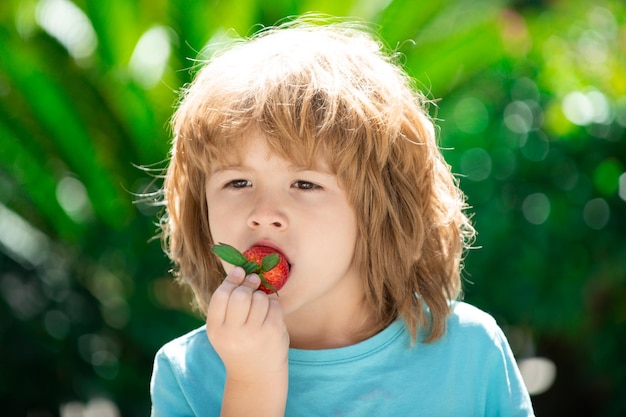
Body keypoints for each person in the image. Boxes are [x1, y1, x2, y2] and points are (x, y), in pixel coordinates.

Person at [150, 16, 534, 417]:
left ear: (379, 208)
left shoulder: (469, 352)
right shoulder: (187, 374)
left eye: (305, 184)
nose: (263, 215)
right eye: (237, 183)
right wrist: (251, 382)